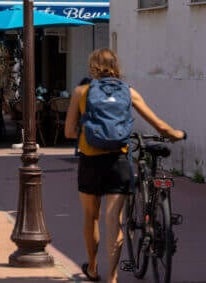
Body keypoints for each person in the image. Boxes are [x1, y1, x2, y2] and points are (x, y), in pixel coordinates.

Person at [64, 49, 184, 283]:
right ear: (116, 66)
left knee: (92, 217)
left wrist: (90, 133)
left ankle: (93, 268)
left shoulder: (81, 92)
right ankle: (112, 277)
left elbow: (69, 132)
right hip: (118, 161)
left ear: (92, 66)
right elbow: (160, 126)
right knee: (114, 221)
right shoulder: (128, 92)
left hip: (90, 161)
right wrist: (176, 134)